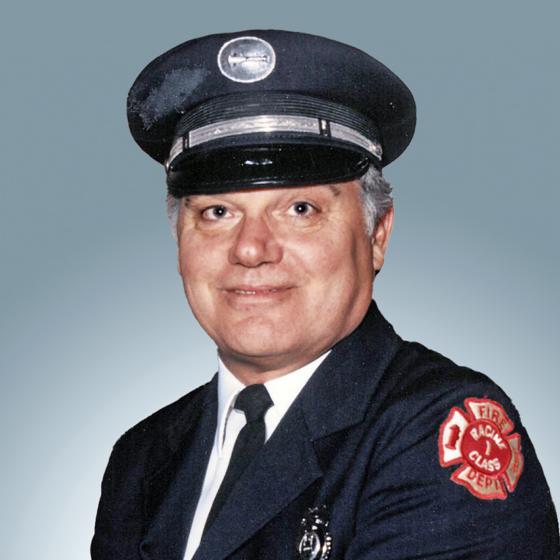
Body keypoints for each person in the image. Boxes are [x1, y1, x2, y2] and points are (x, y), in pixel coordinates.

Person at [91, 30, 559, 559]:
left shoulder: (438, 428)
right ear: (180, 240)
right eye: (217, 213)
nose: (251, 249)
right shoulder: (141, 458)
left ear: (377, 235)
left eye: (300, 210)